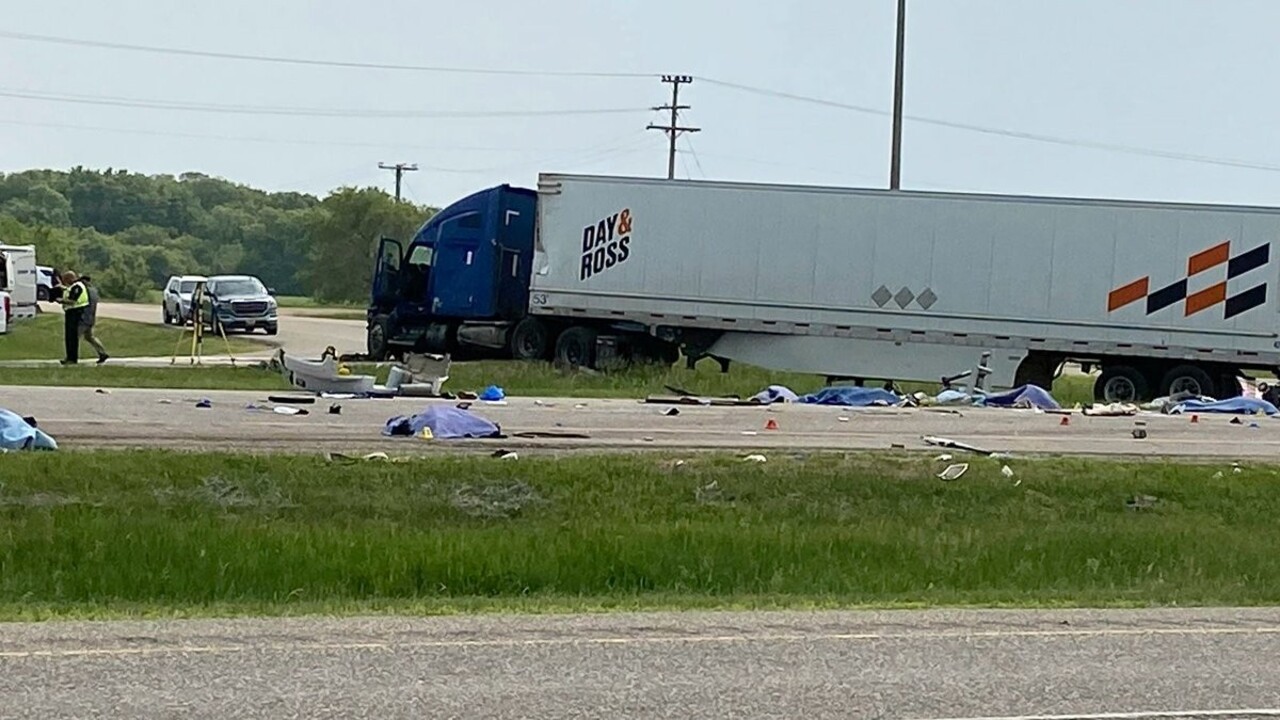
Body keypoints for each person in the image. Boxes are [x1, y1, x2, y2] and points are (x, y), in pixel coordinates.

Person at [77, 274, 109, 364]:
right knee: (89, 337)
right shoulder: (94, 291)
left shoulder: (86, 291)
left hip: (84, 318)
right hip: (91, 317)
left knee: (75, 337)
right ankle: (102, 352)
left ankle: (72, 356)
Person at [58, 271, 88, 364]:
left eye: (66, 280)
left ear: (70, 278)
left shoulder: (77, 287)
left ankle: (72, 358)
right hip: (72, 312)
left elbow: (72, 301)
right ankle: (69, 357)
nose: (65, 282)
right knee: (69, 337)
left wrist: (61, 301)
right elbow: (68, 291)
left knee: (72, 337)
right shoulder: (74, 286)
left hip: (75, 313)